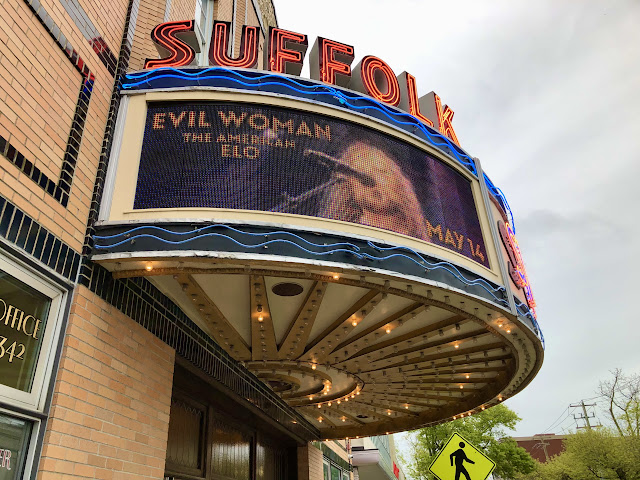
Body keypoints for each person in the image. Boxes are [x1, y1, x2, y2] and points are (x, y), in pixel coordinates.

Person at [317, 141, 429, 241]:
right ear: (348, 184)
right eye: (358, 172)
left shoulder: (415, 239)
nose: (370, 179)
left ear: (400, 183)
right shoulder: (342, 235)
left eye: (381, 172)